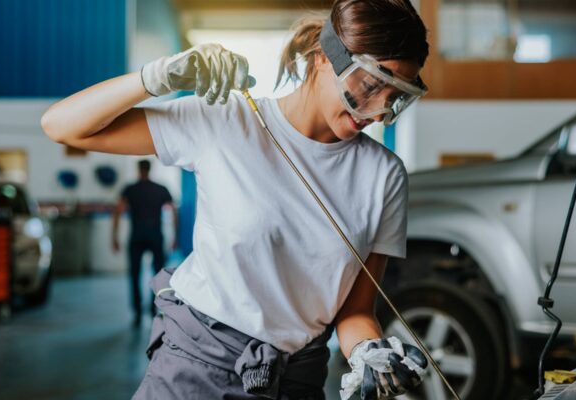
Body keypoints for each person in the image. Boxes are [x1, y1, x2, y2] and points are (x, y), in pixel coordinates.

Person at [41, 1, 431, 398]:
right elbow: (62, 126)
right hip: (194, 370)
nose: (379, 112)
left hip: (296, 380)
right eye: (370, 86)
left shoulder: (384, 176)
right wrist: (154, 77)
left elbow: (357, 310)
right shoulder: (225, 121)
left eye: (396, 97)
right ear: (323, 58)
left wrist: (366, 351)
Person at [112, 160, 177, 326]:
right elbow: (174, 211)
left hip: (137, 236)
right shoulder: (160, 189)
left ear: (138, 169)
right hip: (155, 235)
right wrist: (175, 236)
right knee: (158, 274)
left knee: (134, 275)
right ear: (149, 169)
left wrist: (114, 237)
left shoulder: (130, 189)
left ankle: (137, 312)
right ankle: (153, 308)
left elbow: (117, 211)